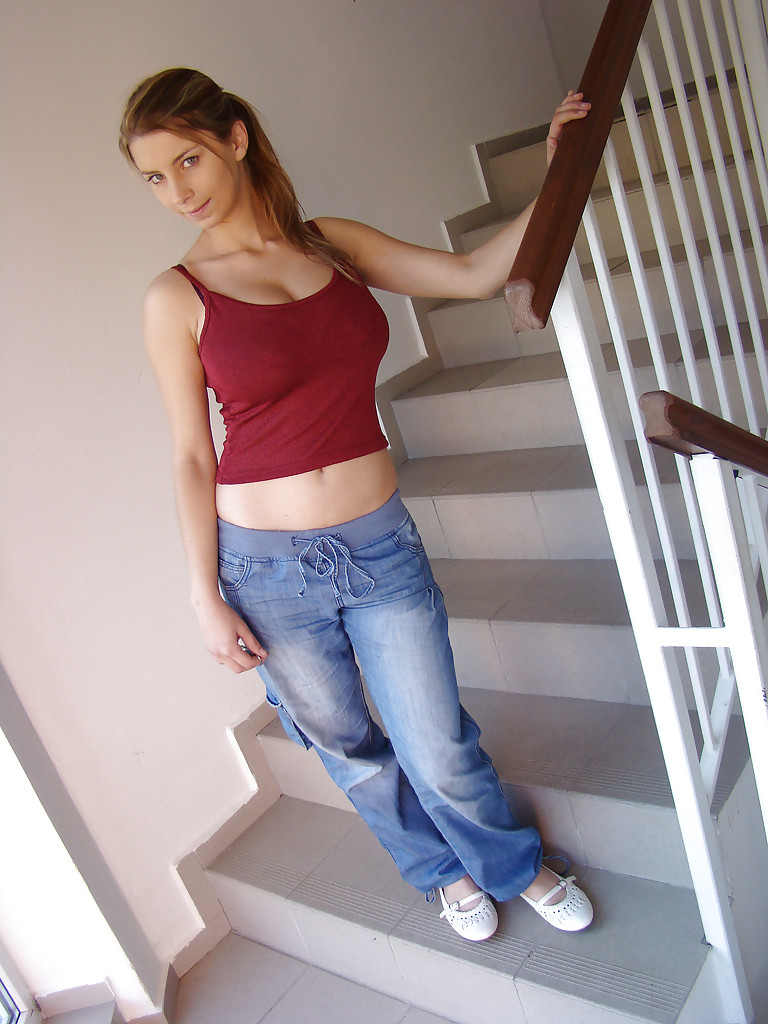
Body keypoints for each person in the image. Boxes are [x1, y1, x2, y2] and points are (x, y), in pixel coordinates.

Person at [120, 68, 592, 942]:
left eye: (188, 159)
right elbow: (190, 455)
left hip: (378, 545)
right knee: (348, 747)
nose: (177, 191)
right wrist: (204, 595)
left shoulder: (330, 244)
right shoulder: (175, 296)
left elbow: (472, 273)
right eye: (154, 176)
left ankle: (511, 865)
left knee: (436, 739)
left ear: (235, 139)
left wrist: (564, 165)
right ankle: (442, 872)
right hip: (263, 567)